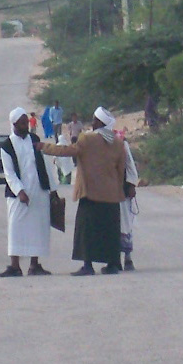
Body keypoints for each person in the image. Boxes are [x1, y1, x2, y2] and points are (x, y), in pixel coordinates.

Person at [38, 107, 127, 276]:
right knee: (109, 230)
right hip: (111, 195)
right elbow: (121, 169)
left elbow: (67, 151)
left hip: (90, 192)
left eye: (95, 120)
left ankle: (88, 265)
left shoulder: (87, 139)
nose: (92, 123)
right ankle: (113, 264)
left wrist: (44, 147)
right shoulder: (118, 143)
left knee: (86, 230)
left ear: (100, 123)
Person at [0, 108, 59, 278]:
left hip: (39, 192)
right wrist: (20, 191)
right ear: (15, 124)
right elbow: (9, 173)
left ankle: (34, 265)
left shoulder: (34, 139)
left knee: (38, 228)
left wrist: (53, 189)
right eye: (23, 123)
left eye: (27, 122)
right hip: (18, 196)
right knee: (16, 228)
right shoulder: (7, 145)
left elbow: (45, 165)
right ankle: (15, 266)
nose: (26, 125)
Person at [119, 131, 139, 271]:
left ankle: (127, 258)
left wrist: (131, 184)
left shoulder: (122, 144)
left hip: (122, 191)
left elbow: (130, 166)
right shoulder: (100, 144)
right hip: (107, 192)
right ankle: (114, 260)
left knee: (125, 223)